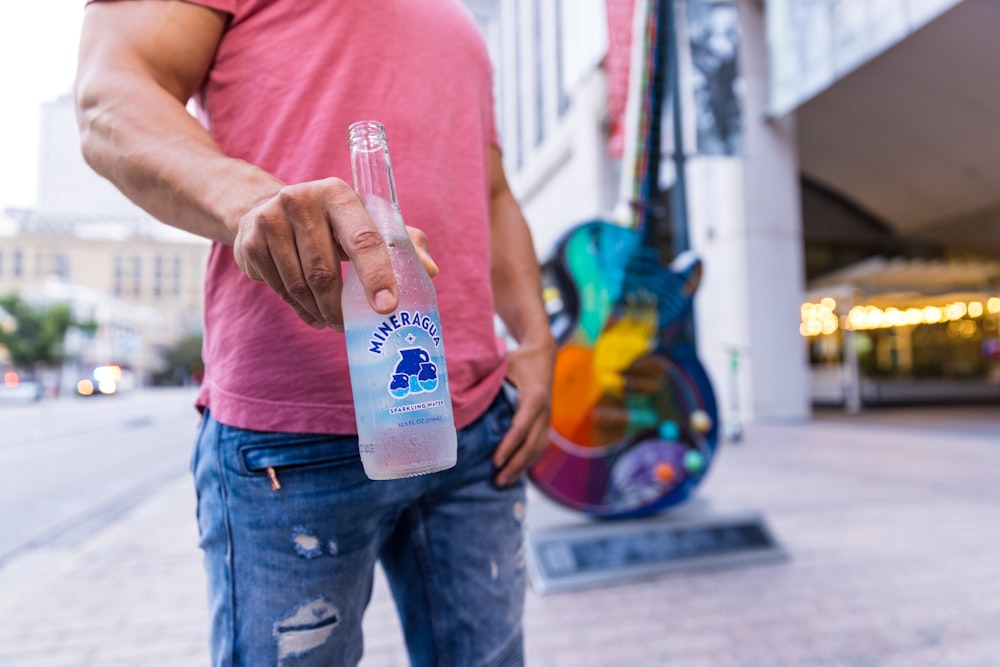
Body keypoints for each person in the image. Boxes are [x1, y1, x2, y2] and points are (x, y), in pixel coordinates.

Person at [74, 2, 555, 666]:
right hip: (292, 440)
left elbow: (493, 191)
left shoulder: (457, 16)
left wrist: (535, 339)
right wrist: (257, 205)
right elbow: (110, 98)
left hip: (473, 427)